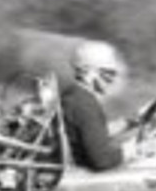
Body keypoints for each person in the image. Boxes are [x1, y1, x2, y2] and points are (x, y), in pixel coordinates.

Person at [59, 41, 139, 171]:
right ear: (88, 72)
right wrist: (137, 148)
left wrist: (127, 124)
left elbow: (88, 132)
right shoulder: (85, 104)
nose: (111, 80)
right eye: (107, 74)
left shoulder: (73, 95)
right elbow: (102, 160)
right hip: (84, 176)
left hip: (78, 169)